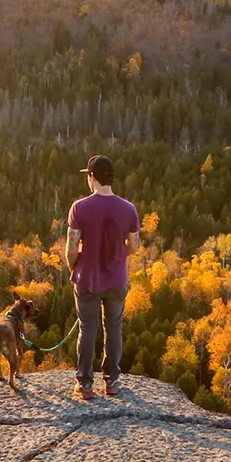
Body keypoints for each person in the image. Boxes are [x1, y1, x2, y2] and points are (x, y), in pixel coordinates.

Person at [65, 154, 140, 399]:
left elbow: (72, 248)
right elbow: (135, 245)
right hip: (117, 279)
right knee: (114, 327)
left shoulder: (80, 207)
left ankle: (85, 385)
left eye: (88, 175)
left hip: (87, 277)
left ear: (92, 177)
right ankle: (112, 382)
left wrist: (73, 267)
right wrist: (118, 253)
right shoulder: (128, 208)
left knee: (88, 328)